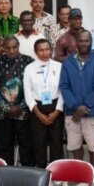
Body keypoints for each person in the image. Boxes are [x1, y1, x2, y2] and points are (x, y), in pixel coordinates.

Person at [60, 30, 94, 172]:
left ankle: (92, 173)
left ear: (91, 42)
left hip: (91, 112)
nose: (84, 43)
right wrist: (75, 107)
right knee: (74, 145)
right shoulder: (68, 62)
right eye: (81, 40)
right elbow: (64, 86)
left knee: (93, 146)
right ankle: (78, 173)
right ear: (76, 42)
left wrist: (83, 107)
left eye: (87, 41)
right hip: (72, 113)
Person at [0, 36, 34, 166]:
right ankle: (5, 172)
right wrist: (6, 108)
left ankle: (28, 171)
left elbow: (32, 88)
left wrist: (21, 107)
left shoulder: (29, 62)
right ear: (3, 48)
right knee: (4, 145)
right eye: (8, 48)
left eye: (14, 47)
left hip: (24, 111)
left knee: (26, 144)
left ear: (18, 46)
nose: (11, 50)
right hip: (2, 112)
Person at [24, 39, 64, 169]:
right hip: (37, 108)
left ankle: (56, 171)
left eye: (47, 49)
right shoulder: (29, 68)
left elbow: (63, 90)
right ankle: (41, 171)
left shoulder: (59, 66)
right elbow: (28, 93)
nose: (44, 52)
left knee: (56, 142)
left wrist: (57, 110)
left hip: (55, 106)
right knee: (38, 142)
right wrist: (38, 114)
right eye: (41, 50)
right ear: (36, 52)